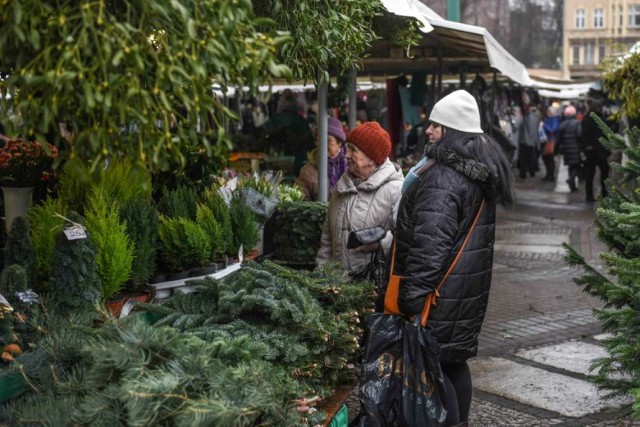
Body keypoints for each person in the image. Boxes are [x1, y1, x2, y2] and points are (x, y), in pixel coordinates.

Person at [392, 90, 514, 427]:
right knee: (453, 363)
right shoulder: (476, 172)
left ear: (452, 131)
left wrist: (410, 297)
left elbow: (429, 248)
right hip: (463, 294)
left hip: (439, 296)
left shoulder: (443, 177)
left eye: (436, 125)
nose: (428, 130)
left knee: (433, 368)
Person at [316, 121, 403, 274]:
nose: (346, 155)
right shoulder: (342, 186)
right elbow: (327, 239)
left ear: (372, 158)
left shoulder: (395, 190)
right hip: (336, 287)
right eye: (346, 148)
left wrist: (380, 243)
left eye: (353, 150)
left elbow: (405, 240)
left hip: (373, 289)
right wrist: (321, 274)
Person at [294, 117, 348, 201]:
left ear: (339, 143)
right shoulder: (307, 171)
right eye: (319, 141)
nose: (323, 145)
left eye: (328, 140)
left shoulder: (350, 167)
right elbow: (301, 202)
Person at [262, 89, 314, 176]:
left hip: (276, 163)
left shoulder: (273, 120)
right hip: (298, 163)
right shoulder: (301, 121)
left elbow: (263, 139)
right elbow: (309, 141)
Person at [580, 98, 612, 202]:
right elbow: (586, 135)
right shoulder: (593, 118)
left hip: (597, 151)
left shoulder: (594, 118)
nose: (602, 109)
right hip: (595, 152)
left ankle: (598, 194)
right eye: (600, 107)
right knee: (596, 173)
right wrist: (589, 146)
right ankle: (599, 194)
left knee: (595, 173)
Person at [555, 105, 582, 193]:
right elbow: (579, 135)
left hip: (566, 148)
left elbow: (558, 138)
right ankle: (571, 179)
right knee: (576, 165)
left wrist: (557, 149)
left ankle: (572, 185)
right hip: (576, 147)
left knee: (571, 166)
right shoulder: (577, 123)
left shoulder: (562, 124)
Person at [542, 105, 561, 181]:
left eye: (549, 111)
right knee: (546, 158)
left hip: (551, 141)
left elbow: (553, 129)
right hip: (546, 141)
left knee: (549, 158)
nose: (547, 112)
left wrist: (544, 126)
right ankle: (549, 174)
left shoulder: (554, 119)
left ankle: (551, 175)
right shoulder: (548, 119)